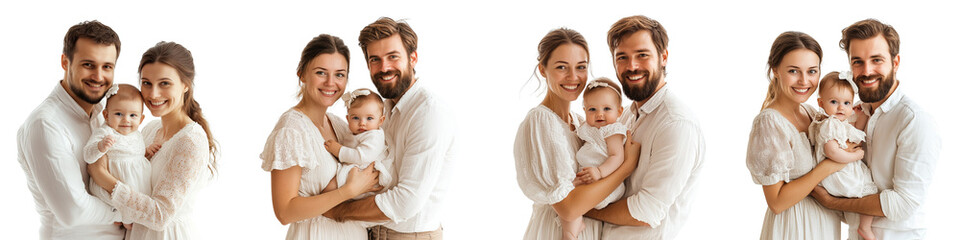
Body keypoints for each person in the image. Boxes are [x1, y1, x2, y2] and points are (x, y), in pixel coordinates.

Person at [322, 17, 457, 239]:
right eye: (375, 59)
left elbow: (406, 202)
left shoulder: (429, 113)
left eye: (393, 57)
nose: (384, 68)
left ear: (412, 58)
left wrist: (335, 211)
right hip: (370, 232)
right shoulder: (381, 110)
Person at [811, 19, 941, 240]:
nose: (867, 71)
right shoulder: (851, 115)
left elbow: (903, 203)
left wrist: (831, 202)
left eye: (876, 60)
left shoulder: (914, 120)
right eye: (858, 62)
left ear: (896, 62)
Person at [582, 15, 706, 240]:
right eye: (622, 57)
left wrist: (581, 207)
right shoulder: (626, 115)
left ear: (663, 57)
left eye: (642, 55)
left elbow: (647, 211)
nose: (632, 66)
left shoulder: (676, 124)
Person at [514, 28, 641, 240]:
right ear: (543, 70)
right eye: (562, 67)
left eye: (580, 67)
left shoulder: (582, 123)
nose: (573, 77)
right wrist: (626, 167)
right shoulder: (541, 121)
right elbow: (569, 209)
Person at [87, 41, 217, 239]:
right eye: (147, 83)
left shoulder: (190, 140)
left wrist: (104, 178)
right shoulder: (149, 130)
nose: (153, 94)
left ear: (185, 85)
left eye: (164, 83)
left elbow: (160, 215)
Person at [261, 34, 380, 239]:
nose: (330, 83)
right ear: (302, 74)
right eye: (321, 73)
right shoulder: (291, 131)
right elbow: (284, 212)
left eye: (340, 75)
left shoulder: (341, 125)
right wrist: (347, 192)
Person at [17, 20, 125, 240]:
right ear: (65, 62)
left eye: (107, 66)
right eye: (88, 64)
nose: (98, 76)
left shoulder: (104, 113)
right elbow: (73, 211)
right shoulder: (46, 124)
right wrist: (129, 211)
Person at [744, 31, 850, 240]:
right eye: (793, 71)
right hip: (793, 228)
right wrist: (827, 167)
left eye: (812, 71)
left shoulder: (813, 113)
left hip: (826, 225)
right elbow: (776, 202)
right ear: (775, 70)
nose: (804, 81)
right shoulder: (769, 123)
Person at [809, 71, 878, 240]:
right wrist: (855, 156)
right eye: (834, 102)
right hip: (838, 174)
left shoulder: (840, 123)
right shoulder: (829, 124)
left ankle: (860, 228)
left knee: (867, 192)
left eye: (847, 103)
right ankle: (865, 227)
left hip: (840, 171)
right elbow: (832, 151)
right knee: (870, 193)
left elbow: (856, 132)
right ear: (821, 102)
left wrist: (861, 115)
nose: (841, 107)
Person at [84, 84, 152, 231]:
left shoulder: (136, 134)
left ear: (141, 119)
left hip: (136, 183)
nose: (126, 120)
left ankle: (127, 218)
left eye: (133, 115)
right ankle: (122, 218)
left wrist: (146, 151)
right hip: (114, 181)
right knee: (124, 203)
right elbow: (88, 156)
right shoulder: (105, 132)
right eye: (119, 114)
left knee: (139, 201)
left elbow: (132, 153)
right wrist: (100, 147)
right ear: (106, 115)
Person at [322, 88, 396, 199]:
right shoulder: (351, 132)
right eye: (355, 118)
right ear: (348, 119)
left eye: (369, 118)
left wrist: (339, 150)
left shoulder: (374, 136)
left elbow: (361, 156)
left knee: (329, 189)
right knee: (329, 187)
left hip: (367, 170)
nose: (362, 123)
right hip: (357, 167)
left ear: (381, 121)